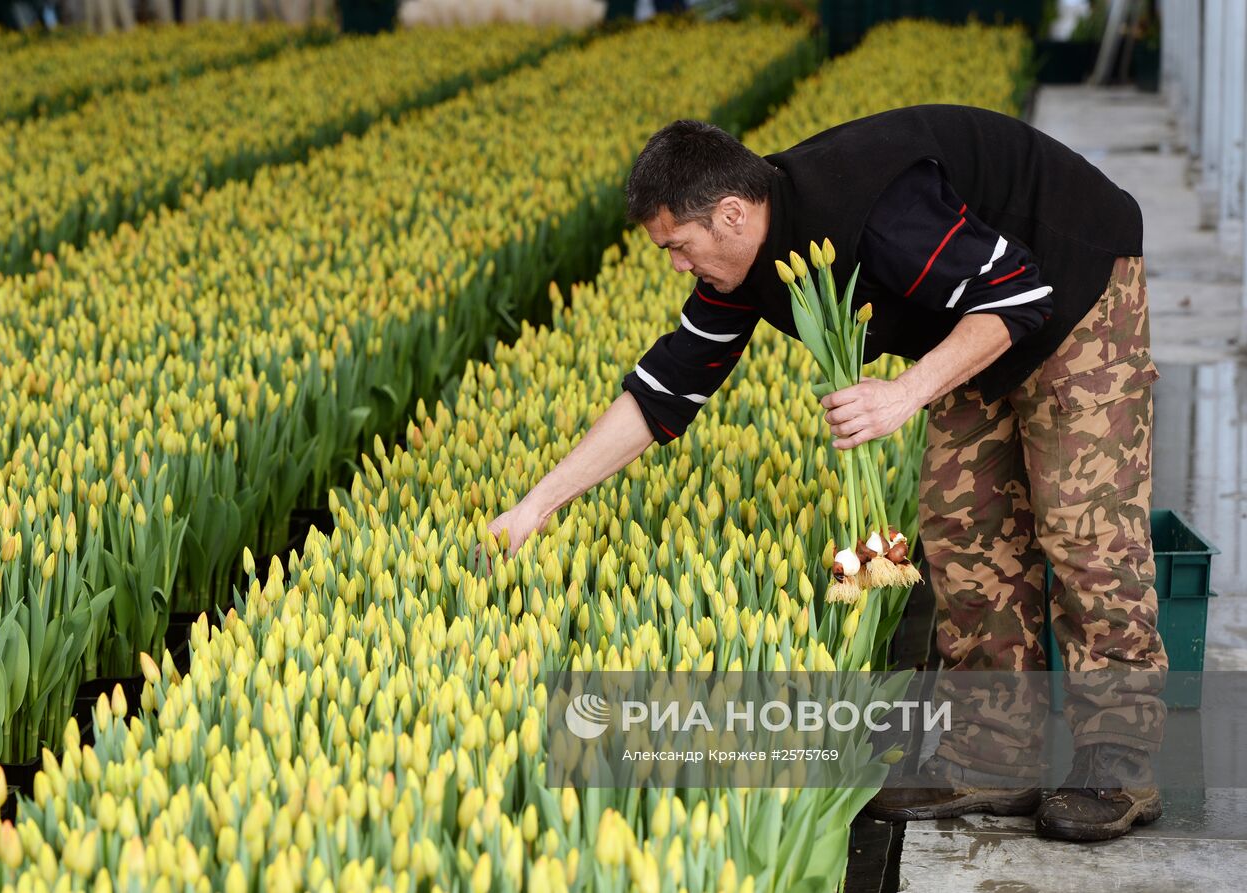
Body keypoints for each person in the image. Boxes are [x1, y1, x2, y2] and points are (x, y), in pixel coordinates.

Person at [486, 106, 1167, 842]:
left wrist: (904, 394)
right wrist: (536, 505)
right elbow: (665, 388)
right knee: (963, 524)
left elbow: (1019, 293)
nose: (677, 265)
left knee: (1082, 525)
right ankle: (993, 757)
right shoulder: (754, 261)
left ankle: (1120, 766)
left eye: (677, 247)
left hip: (1072, 282)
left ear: (731, 213)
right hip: (977, 311)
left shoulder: (873, 211)